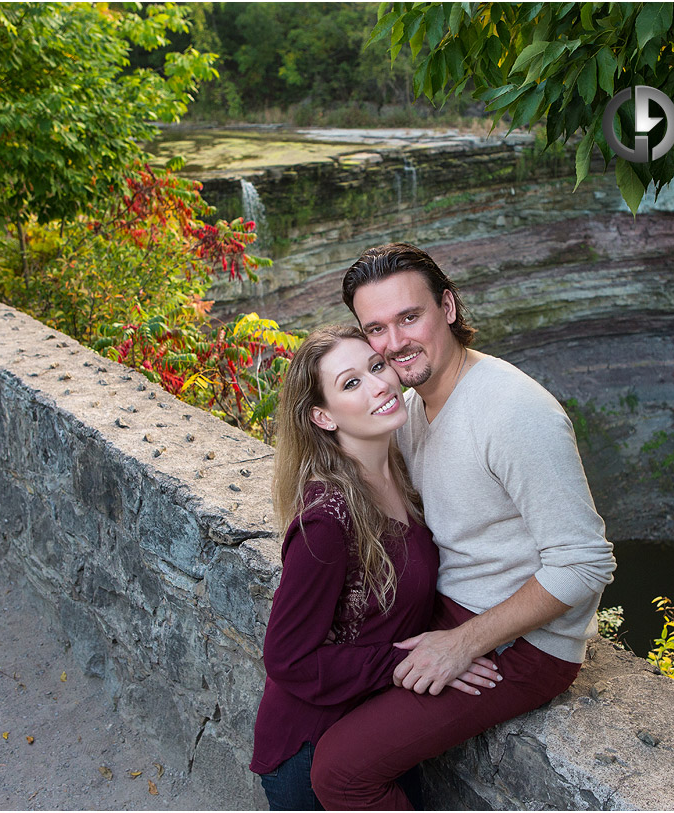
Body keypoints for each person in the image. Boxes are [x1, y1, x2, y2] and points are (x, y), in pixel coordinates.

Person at [309, 244, 617, 809]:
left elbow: (584, 562)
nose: (395, 342)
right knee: (316, 698)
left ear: (447, 306)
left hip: (525, 644)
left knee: (339, 772)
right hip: (452, 607)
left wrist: (463, 644)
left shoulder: (513, 412)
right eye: (375, 328)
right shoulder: (411, 406)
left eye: (410, 316)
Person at [250, 324, 500, 810]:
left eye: (377, 366)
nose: (379, 385)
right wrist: (409, 662)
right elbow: (286, 657)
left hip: (372, 730)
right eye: (351, 383)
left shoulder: (402, 471)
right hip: (311, 751)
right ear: (322, 416)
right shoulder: (326, 521)